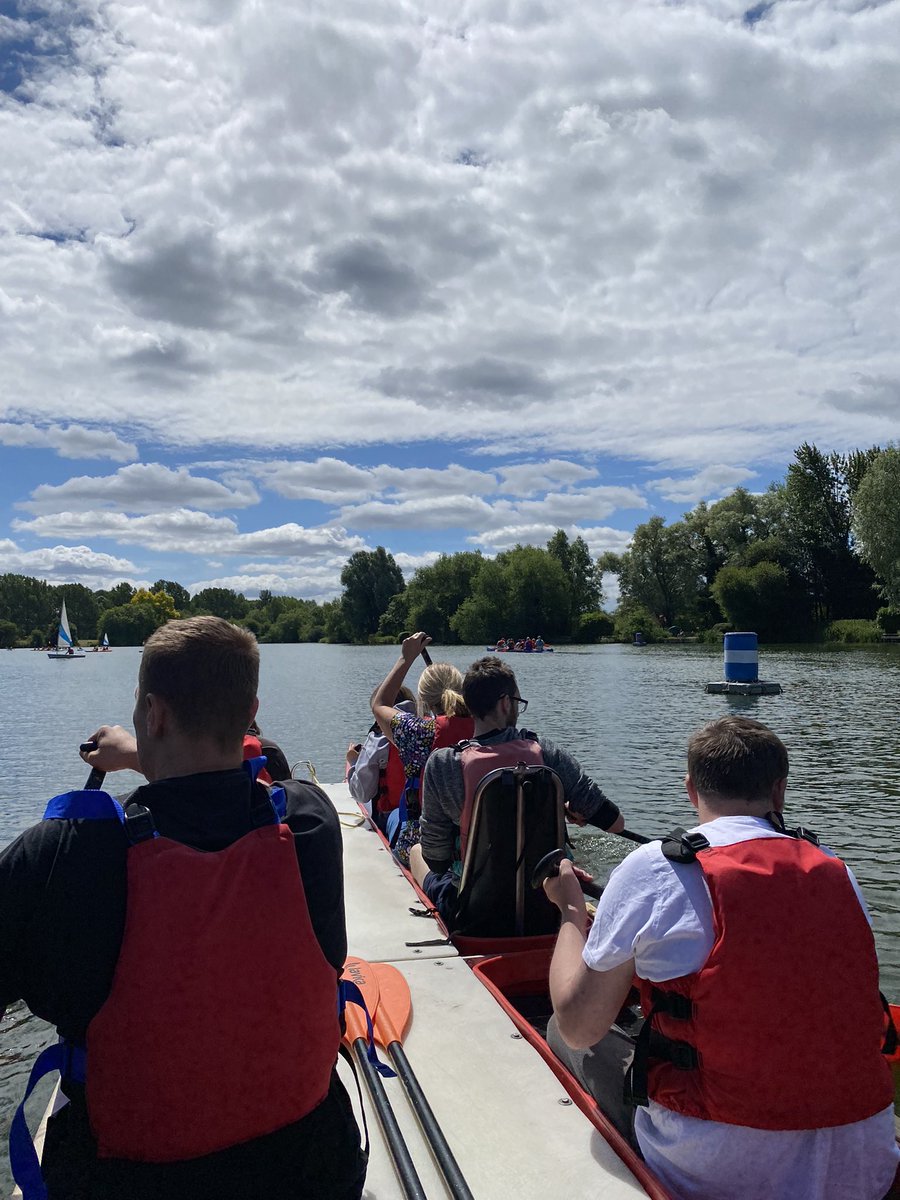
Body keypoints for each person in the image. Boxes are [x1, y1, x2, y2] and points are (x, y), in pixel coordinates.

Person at [0, 616, 366, 1200]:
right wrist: (149, 753)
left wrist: (142, 752)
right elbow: (253, 783)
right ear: (250, 710)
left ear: (155, 713)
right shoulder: (310, 824)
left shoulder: (65, 854)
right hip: (307, 1170)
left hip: (130, 1182)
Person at [543, 715, 899, 1200]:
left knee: (563, 1033)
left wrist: (568, 909)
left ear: (691, 790)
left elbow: (579, 1025)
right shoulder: (839, 870)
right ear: (779, 791)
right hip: (865, 1168)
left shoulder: (655, 867)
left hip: (718, 1172)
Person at [410, 655, 624, 927]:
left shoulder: (442, 764)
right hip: (544, 906)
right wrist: (563, 806)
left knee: (417, 850)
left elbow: (437, 859)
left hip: (472, 911)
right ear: (504, 703)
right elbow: (615, 824)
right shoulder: (546, 753)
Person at [370, 633, 473, 865]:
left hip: (428, 848)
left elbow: (380, 704)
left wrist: (406, 659)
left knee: (396, 815)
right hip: (479, 842)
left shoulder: (418, 732)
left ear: (424, 701)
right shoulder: (487, 726)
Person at [345, 685, 415, 830]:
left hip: (391, 817)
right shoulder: (427, 729)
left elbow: (362, 794)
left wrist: (353, 763)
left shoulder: (378, 741)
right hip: (424, 814)